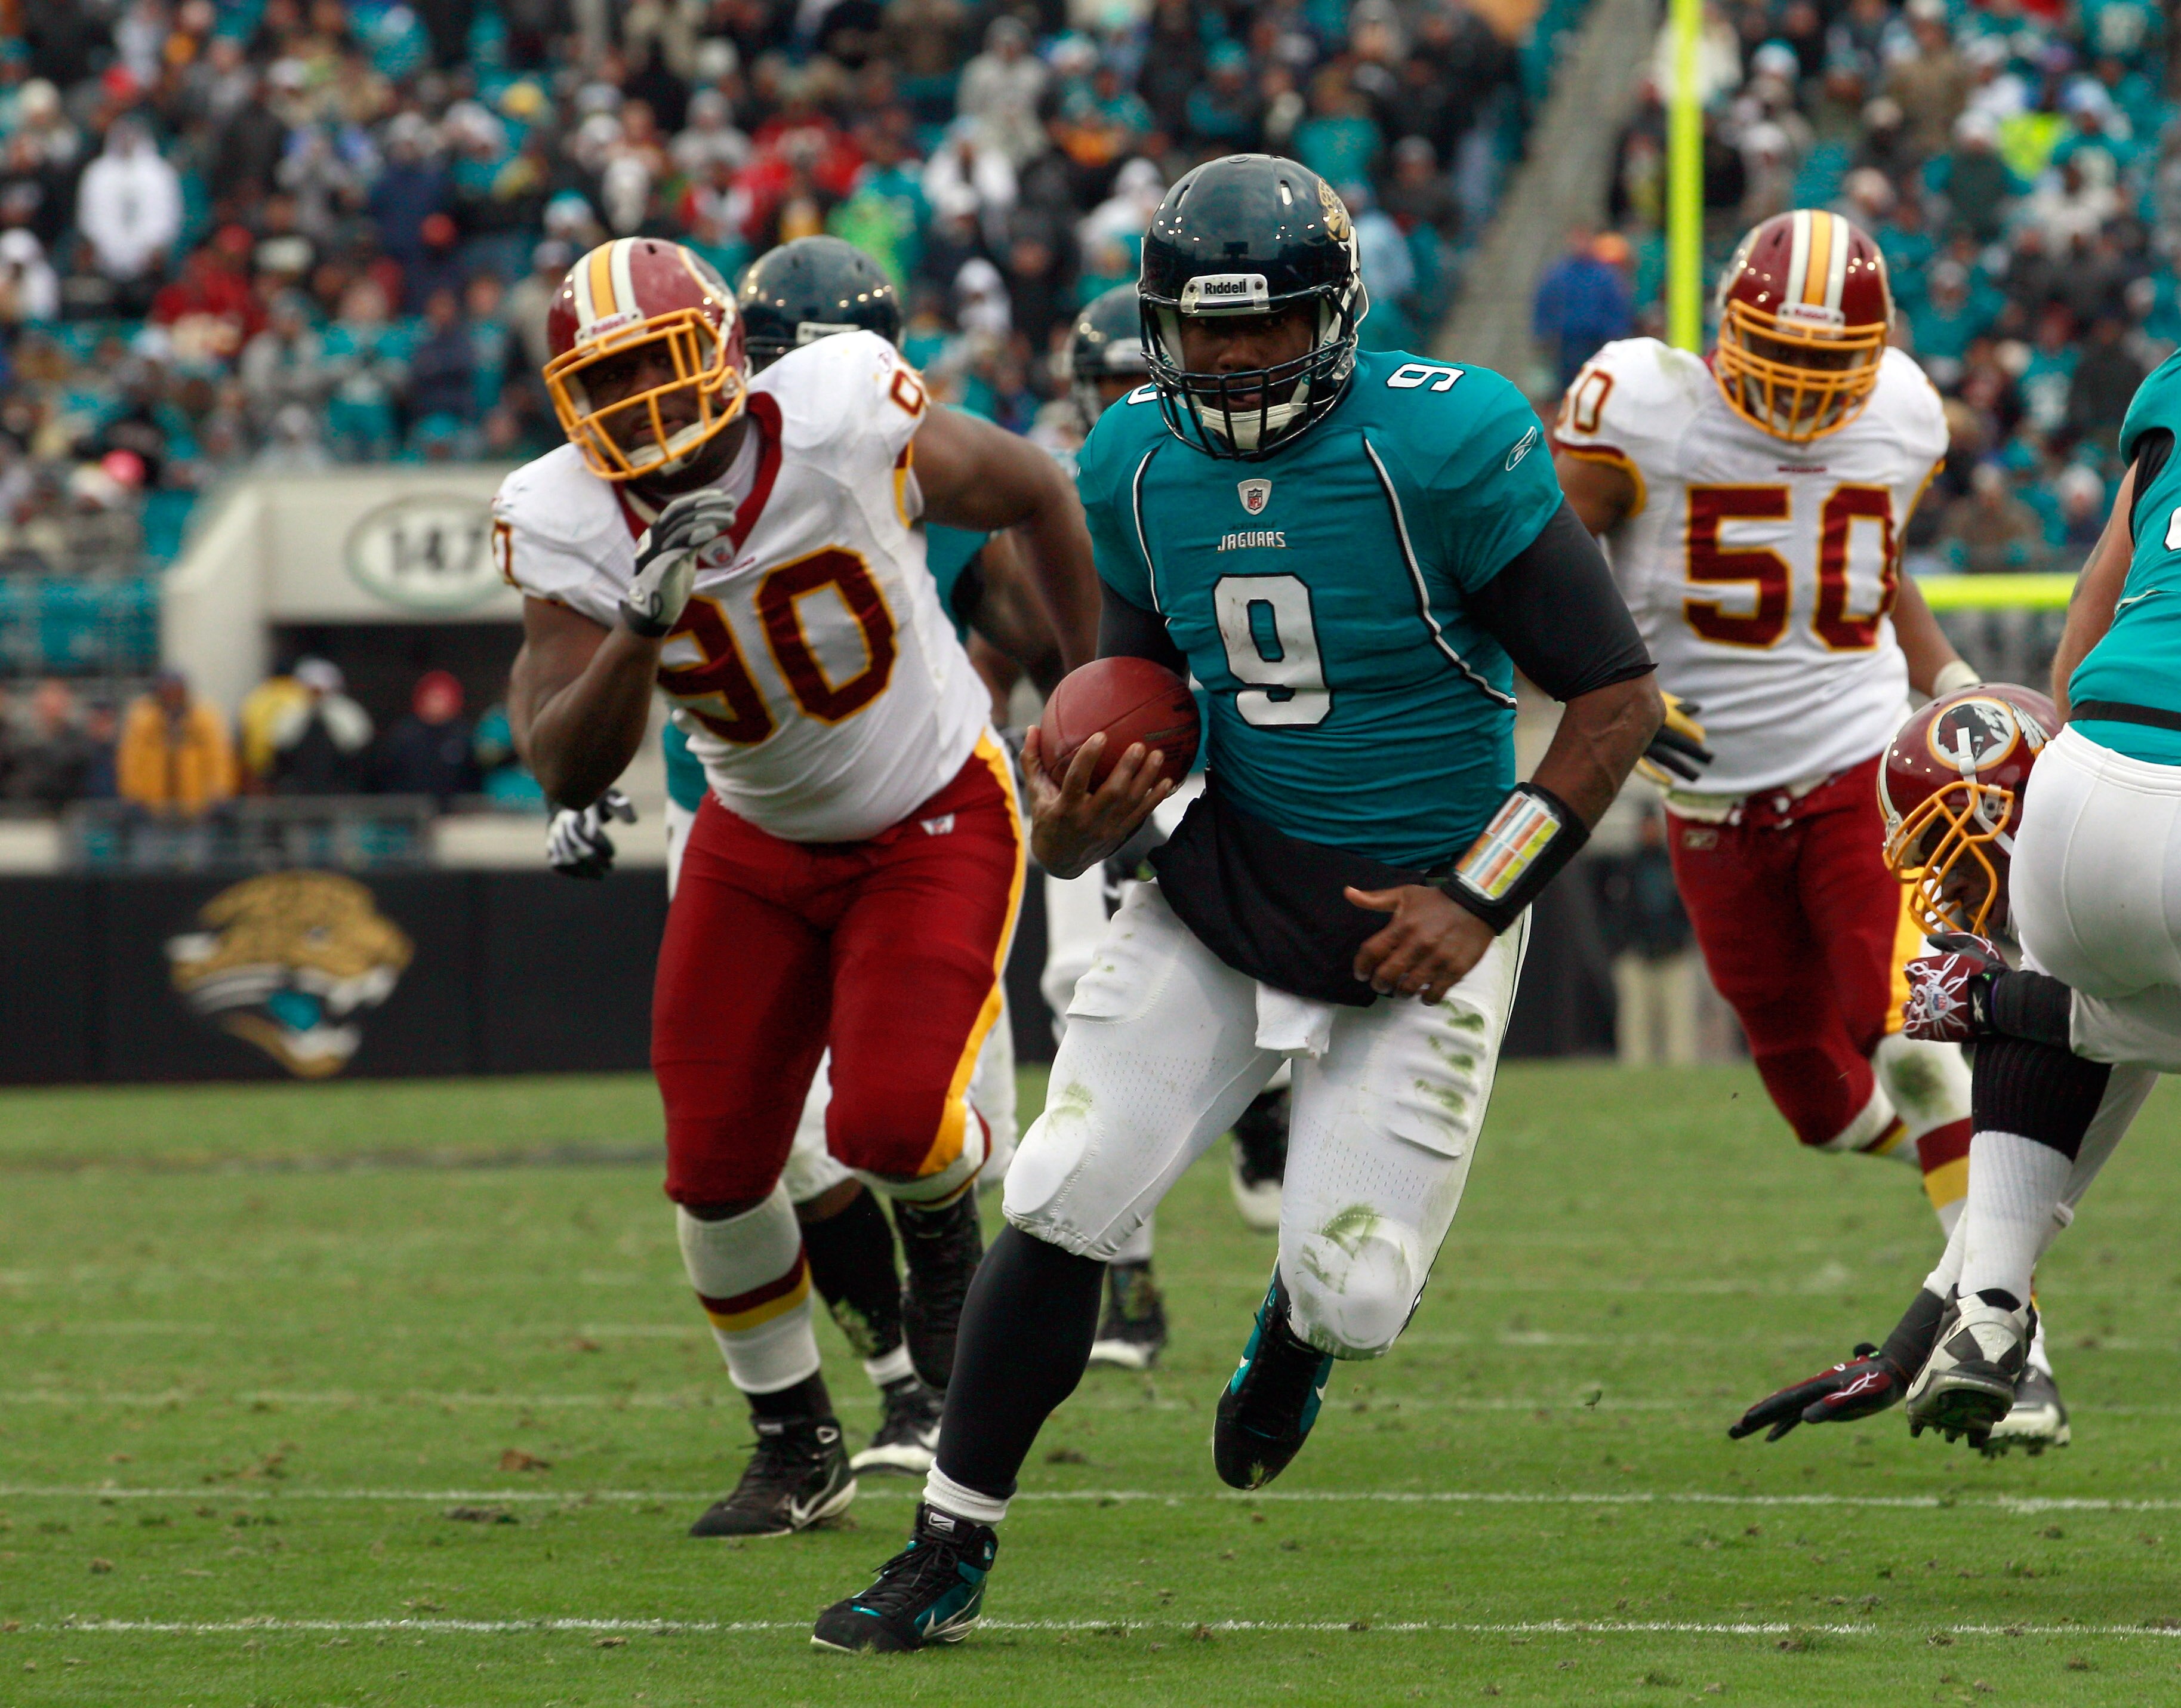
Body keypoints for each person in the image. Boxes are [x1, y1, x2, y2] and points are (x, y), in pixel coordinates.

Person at [812, 155, 1664, 1654]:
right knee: (1067, 1187)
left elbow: (1614, 696)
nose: (1233, 361)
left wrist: (1476, 899)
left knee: (1358, 1285)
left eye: (1266, 329)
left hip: (1429, 903)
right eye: (1205, 334)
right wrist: (1084, 822)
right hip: (1224, 879)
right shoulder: (1133, 461)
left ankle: (1296, 1332)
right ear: (1160, 331)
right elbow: (1140, 706)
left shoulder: (1446, 440)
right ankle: (949, 1535)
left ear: (1333, 318)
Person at [503, 236, 1096, 1541]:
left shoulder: (837, 414)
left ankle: (943, 1232)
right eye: (609, 386)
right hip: (753, 835)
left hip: (929, 808)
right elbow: (561, 760)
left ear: (724, 349)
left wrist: (1092, 681)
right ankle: (794, 1438)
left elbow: (1038, 489)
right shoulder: (559, 515)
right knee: (716, 1165)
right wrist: (639, 629)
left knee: (893, 1126)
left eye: (661, 366)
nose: (644, 409)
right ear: (566, 402)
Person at [1548, 209, 2071, 1451]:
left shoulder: (1897, 409)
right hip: (1707, 797)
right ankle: (1967, 1192)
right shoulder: (1642, 402)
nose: (1798, 402)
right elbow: (1545, 553)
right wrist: (1608, 679)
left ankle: (2008, 1339)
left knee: (1911, 1037)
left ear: (1872, 358)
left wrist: (1943, 681)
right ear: (1726, 332)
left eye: (1826, 374)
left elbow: (1870, 560)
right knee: (1819, 1103)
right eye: (1777, 367)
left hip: (1854, 773)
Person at [1728, 683, 2154, 1452]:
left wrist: (2003, 1006)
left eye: (1950, 851)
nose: (1945, 893)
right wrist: (1899, 1358)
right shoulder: (2087, 922)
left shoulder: (2132, 858)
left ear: (2009, 809)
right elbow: (2039, 1187)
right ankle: (1989, 1321)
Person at [117, 669, 236, 818]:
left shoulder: (204, 718)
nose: (172, 697)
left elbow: (218, 758)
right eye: (167, 691)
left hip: (196, 806)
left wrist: (220, 793)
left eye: (177, 692)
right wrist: (133, 795)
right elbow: (131, 760)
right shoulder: (143, 720)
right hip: (151, 808)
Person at [374, 670, 482, 804]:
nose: (437, 704)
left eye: (443, 698)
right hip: (410, 810)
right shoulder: (404, 734)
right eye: (433, 697)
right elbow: (386, 773)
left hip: (453, 813)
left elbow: (473, 776)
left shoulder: (464, 734)